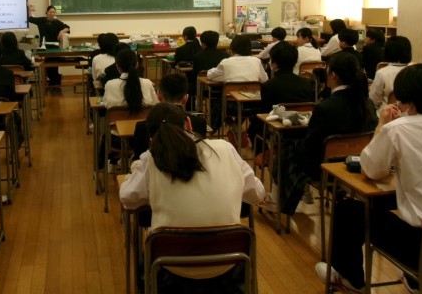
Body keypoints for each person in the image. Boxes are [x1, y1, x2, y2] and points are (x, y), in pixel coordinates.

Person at [316, 64, 422, 293]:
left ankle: (349, 279)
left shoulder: (397, 129)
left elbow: (369, 169)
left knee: (349, 210)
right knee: (402, 202)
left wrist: (382, 125)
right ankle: (413, 282)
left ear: (407, 101)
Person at [120, 102, 266, 293]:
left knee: (143, 264)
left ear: (151, 138)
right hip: (228, 265)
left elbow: (127, 198)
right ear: (189, 123)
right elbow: (258, 193)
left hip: (170, 270)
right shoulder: (225, 149)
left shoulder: (152, 159)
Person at [268, 52, 376, 215]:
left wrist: (294, 144)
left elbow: (310, 146)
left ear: (333, 75)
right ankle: (302, 193)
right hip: (356, 164)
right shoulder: (367, 103)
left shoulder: (325, 107)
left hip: (322, 168)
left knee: (285, 153)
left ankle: (279, 202)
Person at [247, 42, 314, 155]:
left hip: (278, 128)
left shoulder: (268, 85)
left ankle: (265, 156)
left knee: (253, 128)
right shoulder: (306, 84)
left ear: (274, 64)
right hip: (303, 128)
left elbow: (266, 113)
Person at [131, 73, 208, 160]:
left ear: (159, 95)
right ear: (185, 98)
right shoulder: (200, 123)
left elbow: (138, 160)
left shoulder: (142, 127)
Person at [369, 35, 412, 115]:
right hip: (410, 114)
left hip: (387, 116)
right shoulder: (415, 70)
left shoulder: (382, 73)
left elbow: (373, 101)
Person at [28, 5, 70, 85]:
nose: (52, 14)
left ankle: (55, 83)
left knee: (54, 67)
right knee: (47, 68)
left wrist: (61, 32)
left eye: (54, 12)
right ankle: (56, 80)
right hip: (45, 48)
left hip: (55, 48)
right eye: (50, 12)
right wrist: (29, 8)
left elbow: (67, 28)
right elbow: (30, 19)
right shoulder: (41, 20)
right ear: (46, 13)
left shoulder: (57, 22)